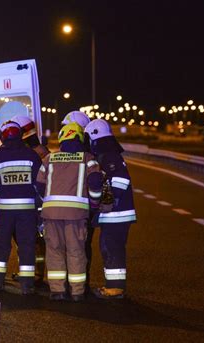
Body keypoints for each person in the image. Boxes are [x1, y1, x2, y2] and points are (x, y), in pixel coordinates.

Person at [37, 122, 103, 302]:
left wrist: (48, 202)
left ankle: (57, 290)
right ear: (81, 138)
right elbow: (96, 184)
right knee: (76, 251)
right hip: (76, 214)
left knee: (54, 250)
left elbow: (39, 185)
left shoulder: (49, 159)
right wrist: (94, 205)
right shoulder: (88, 159)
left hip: (51, 214)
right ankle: (77, 291)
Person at [84, 119, 136, 299]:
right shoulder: (110, 154)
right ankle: (115, 287)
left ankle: (115, 289)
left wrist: (109, 198)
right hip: (116, 214)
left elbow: (121, 180)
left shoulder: (109, 157)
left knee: (111, 248)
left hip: (116, 214)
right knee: (110, 247)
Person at [0, 121, 42, 295]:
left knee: (2, 245)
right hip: (27, 209)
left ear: (3, 136)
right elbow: (39, 183)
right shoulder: (32, 155)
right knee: (27, 245)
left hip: (4, 210)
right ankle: (27, 284)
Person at [11, 115, 49, 283]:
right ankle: (37, 274)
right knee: (38, 242)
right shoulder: (43, 151)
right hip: (41, 203)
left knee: (27, 241)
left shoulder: (28, 154)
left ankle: (30, 274)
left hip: (31, 204)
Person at [62, 110, 96, 293]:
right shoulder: (90, 155)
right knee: (82, 246)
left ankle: (73, 284)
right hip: (83, 208)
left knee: (73, 247)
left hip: (73, 209)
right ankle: (81, 284)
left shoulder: (83, 155)